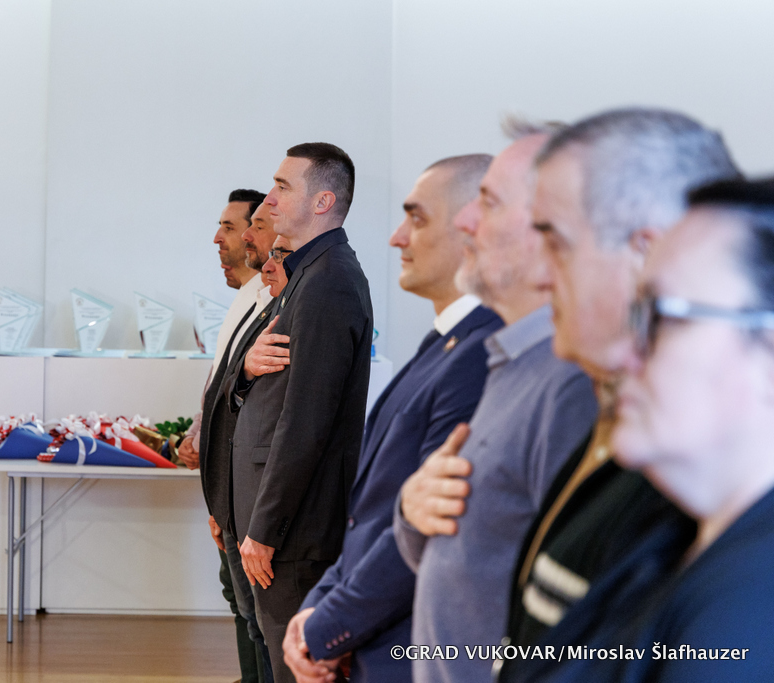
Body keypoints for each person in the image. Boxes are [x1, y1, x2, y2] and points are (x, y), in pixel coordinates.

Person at [495, 109, 740, 671]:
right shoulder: (621, 428)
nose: (540, 276)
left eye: (556, 243)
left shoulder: (686, 473)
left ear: (645, 256)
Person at [269, 154, 501, 683]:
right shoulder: (444, 343)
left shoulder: (478, 355)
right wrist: (321, 604)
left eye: (417, 218)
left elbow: (427, 527)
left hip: (402, 643)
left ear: (473, 228)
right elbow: (375, 511)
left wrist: (328, 625)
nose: (397, 238)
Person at [393, 125, 597, 683]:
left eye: (488, 202)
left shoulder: (571, 382)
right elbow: (469, 549)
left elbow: (575, 621)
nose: (465, 222)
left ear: (551, 230)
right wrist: (411, 508)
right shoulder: (512, 361)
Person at [226, 142, 373, 683]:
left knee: (297, 669)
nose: (270, 198)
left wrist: (266, 528)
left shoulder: (329, 280)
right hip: (283, 523)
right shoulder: (307, 274)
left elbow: (306, 421)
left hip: (294, 531)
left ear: (322, 201)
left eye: (283, 186)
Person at [179, 190, 273, 683]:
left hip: (246, 485)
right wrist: (199, 430)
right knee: (239, 600)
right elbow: (221, 383)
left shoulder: (268, 299)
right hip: (227, 483)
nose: (219, 238)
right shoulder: (243, 299)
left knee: (254, 609)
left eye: (232, 227)